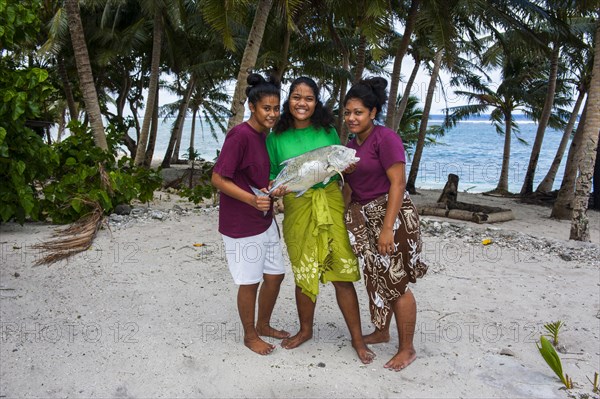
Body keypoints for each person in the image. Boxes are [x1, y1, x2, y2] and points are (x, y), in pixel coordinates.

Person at [267, 76, 374, 364]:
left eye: (309, 98)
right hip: (297, 207)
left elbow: (334, 167)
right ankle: (305, 330)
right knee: (304, 273)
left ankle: (357, 337)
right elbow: (270, 176)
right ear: (289, 100)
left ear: (316, 103)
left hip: (329, 201)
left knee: (342, 272)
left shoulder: (327, 131)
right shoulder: (275, 137)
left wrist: (348, 168)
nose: (302, 103)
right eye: (296, 97)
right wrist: (273, 190)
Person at [342, 77, 428, 371]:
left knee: (397, 282)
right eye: (348, 112)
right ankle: (382, 331)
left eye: (358, 112)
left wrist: (387, 228)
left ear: (373, 112)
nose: (351, 118)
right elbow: (351, 188)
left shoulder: (385, 138)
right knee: (376, 279)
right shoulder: (351, 145)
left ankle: (407, 349)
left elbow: (398, 184)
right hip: (365, 220)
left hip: (392, 217)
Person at [211, 73, 289, 355]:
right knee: (250, 281)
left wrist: (271, 188)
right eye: (266, 108)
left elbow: (253, 176)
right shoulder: (240, 135)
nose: (272, 113)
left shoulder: (263, 136)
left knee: (275, 275)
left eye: (276, 108)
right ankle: (250, 335)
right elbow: (218, 178)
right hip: (241, 223)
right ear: (252, 107)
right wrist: (251, 198)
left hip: (263, 219)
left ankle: (264, 323)